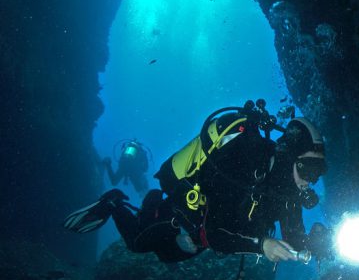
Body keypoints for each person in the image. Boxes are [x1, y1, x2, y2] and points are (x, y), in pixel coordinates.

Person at [64, 101, 331, 268]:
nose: (311, 180)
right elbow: (215, 234)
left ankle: (143, 204)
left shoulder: (287, 191)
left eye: (318, 171)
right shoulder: (245, 162)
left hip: (200, 240)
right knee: (138, 243)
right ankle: (114, 202)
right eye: (307, 168)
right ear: (287, 159)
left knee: (170, 257)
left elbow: (294, 240)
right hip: (181, 217)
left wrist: (317, 244)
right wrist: (261, 246)